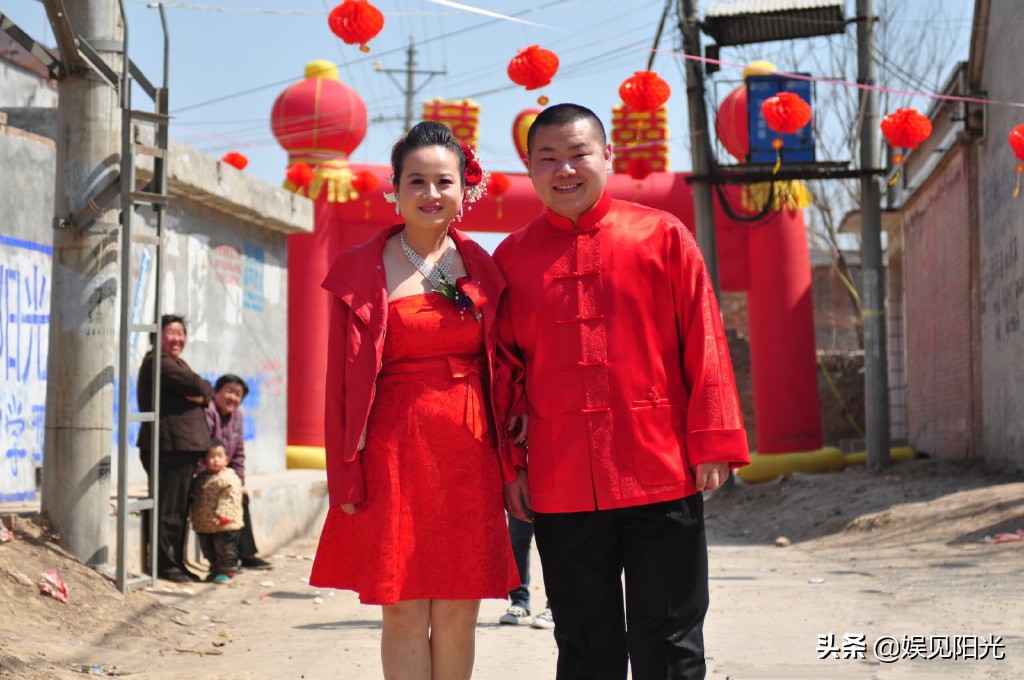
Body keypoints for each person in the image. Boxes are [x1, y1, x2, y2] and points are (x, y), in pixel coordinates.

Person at [492, 103, 750, 680]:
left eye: (578, 153)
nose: (565, 169)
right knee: (583, 643)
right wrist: (511, 467)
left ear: (608, 156)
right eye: (548, 158)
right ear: (530, 170)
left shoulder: (662, 236)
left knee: (672, 638)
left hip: (659, 467)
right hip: (560, 481)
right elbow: (501, 376)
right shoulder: (511, 258)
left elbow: (704, 339)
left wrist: (713, 439)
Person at [309, 120, 519, 680]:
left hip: (469, 452)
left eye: (443, 182)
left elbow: (509, 373)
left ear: (464, 190)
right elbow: (339, 387)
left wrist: (515, 465)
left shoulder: (487, 268)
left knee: (457, 609)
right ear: (395, 190)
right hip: (392, 452)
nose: (431, 194)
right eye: (417, 181)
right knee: (401, 608)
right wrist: (345, 477)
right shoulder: (360, 268)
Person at [137, 314, 213, 583]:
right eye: (171, 332)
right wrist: (201, 392)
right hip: (169, 447)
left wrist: (202, 392)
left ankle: (175, 562)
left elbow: (204, 389)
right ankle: (165, 565)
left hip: (181, 448)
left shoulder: (175, 363)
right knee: (169, 509)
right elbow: (199, 385)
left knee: (178, 510)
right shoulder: (159, 363)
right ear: (157, 336)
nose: (177, 338)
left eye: (181, 333)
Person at [201, 374, 273, 570]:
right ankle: (225, 561)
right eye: (229, 391)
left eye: (238, 394)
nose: (233, 398)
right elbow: (202, 450)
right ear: (216, 392)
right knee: (228, 501)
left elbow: (239, 454)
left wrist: (238, 482)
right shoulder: (208, 412)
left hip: (226, 476)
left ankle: (246, 554)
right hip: (206, 473)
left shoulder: (238, 416)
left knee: (240, 496)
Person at [190, 439, 244, 584]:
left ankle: (227, 570)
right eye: (211, 456)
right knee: (209, 549)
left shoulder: (229, 478)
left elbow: (230, 498)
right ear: (204, 460)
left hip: (225, 524)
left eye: (219, 456)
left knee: (225, 548)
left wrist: (223, 515)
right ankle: (215, 569)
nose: (215, 460)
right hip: (205, 524)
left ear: (226, 459)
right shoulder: (201, 478)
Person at [499, 514, 554, 629]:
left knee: (554, 544)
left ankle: (554, 607)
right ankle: (519, 603)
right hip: (522, 496)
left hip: (554, 498)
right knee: (517, 541)